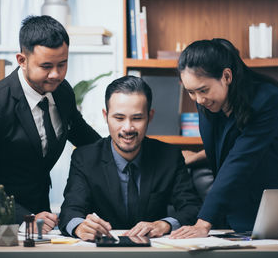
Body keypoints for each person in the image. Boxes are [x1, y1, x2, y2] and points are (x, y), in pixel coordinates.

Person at [0, 15, 101, 232]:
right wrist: (24, 218)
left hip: (41, 217)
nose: (56, 74)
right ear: (22, 60)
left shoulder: (62, 91)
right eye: (46, 66)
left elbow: (86, 138)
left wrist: (126, 149)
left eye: (62, 64)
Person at [170, 38, 278, 239]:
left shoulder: (267, 99)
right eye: (191, 92)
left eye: (203, 90)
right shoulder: (207, 102)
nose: (198, 99)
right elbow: (225, 147)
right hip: (231, 212)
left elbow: (240, 160)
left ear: (226, 76)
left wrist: (203, 222)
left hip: (277, 211)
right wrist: (197, 157)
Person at [58, 76, 202, 241]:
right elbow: (70, 211)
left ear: (150, 116)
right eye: (119, 118)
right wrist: (79, 227)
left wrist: (163, 225)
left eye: (137, 118)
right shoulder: (85, 158)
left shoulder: (169, 156)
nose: (128, 128)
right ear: (106, 116)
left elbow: (192, 208)